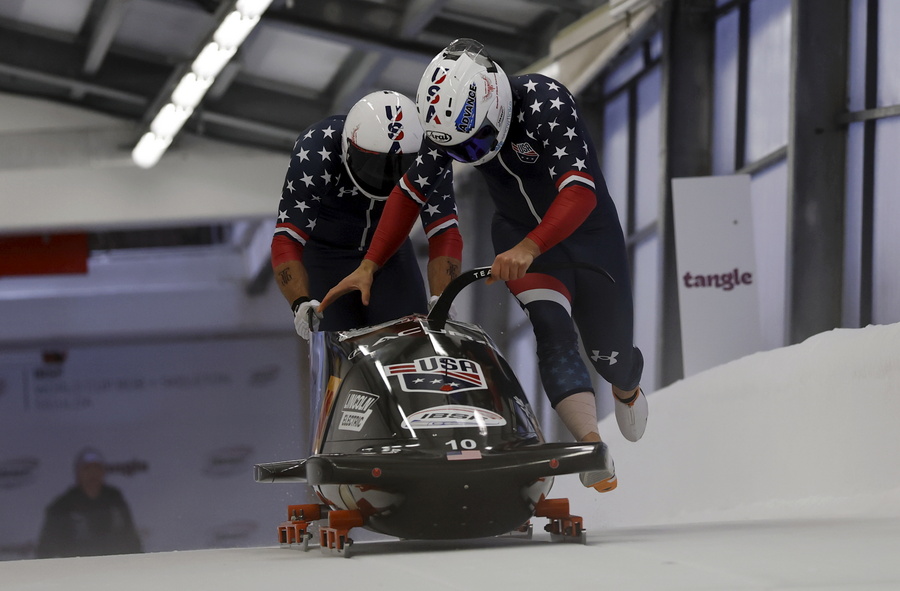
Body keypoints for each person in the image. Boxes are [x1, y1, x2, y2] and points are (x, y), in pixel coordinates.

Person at [320, 39, 647, 493]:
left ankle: (627, 385)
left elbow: (580, 192)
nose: (471, 155)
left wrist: (532, 246)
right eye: (460, 150)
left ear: (493, 101)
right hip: (516, 234)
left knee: (610, 356)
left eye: (477, 143)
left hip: (587, 234)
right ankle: (591, 445)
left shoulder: (546, 102)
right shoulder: (445, 129)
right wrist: (369, 264)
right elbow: (408, 195)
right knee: (552, 328)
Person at [271, 90, 462, 338]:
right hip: (325, 257)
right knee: (338, 348)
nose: (387, 176)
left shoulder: (431, 152)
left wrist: (442, 296)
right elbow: (287, 237)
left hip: (389, 254)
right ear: (348, 146)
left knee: (411, 342)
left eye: (401, 167)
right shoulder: (316, 148)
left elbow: (444, 229)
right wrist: (301, 303)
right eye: (375, 165)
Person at [35, 448, 142, 558]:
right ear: (78, 473)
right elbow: (46, 549)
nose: (93, 473)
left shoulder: (116, 501)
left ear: (103, 472)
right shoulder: (61, 507)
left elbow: (131, 539)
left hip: (114, 569)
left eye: (97, 468)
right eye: (87, 468)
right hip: (77, 570)